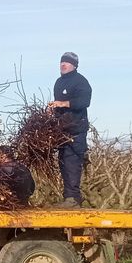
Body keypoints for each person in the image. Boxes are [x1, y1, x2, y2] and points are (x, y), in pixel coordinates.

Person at [48, 52, 92, 208]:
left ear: (74, 65)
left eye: (66, 62)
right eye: (61, 62)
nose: (63, 64)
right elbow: (58, 104)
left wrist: (63, 104)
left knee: (72, 162)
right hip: (62, 130)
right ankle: (69, 197)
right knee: (63, 163)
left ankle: (73, 198)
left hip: (76, 130)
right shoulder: (59, 82)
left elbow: (85, 101)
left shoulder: (81, 81)